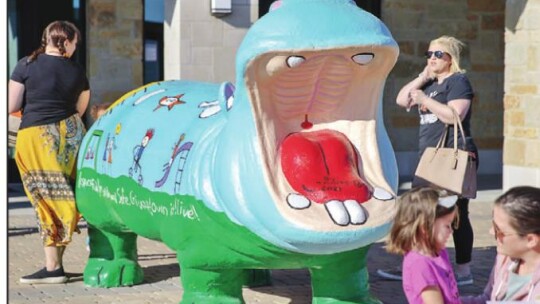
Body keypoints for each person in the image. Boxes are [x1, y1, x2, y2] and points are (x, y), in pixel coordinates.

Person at [378, 35, 478, 286]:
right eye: (429, 54)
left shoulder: (458, 81)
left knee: (454, 214)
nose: (432, 58)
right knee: (421, 212)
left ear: (451, 58)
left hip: (452, 157)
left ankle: (463, 272)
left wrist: (424, 100)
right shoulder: (431, 84)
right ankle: (417, 264)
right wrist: (423, 78)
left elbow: (454, 115)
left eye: (439, 54)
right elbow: (402, 99)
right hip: (429, 158)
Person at [8, 20, 90, 284]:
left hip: (37, 138)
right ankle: (56, 265)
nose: (76, 48)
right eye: (75, 43)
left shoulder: (26, 65)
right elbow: (80, 108)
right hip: (71, 136)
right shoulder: (77, 71)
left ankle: (53, 268)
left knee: (44, 198)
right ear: (65, 41)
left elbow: (11, 105)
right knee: (66, 193)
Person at [461, 186, 540, 303]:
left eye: (499, 230)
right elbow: (487, 299)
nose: (491, 232)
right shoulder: (505, 259)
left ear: (531, 240)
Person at [386, 187, 461, 304]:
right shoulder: (420, 265)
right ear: (425, 227)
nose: (451, 231)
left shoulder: (438, 252)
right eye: (447, 225)